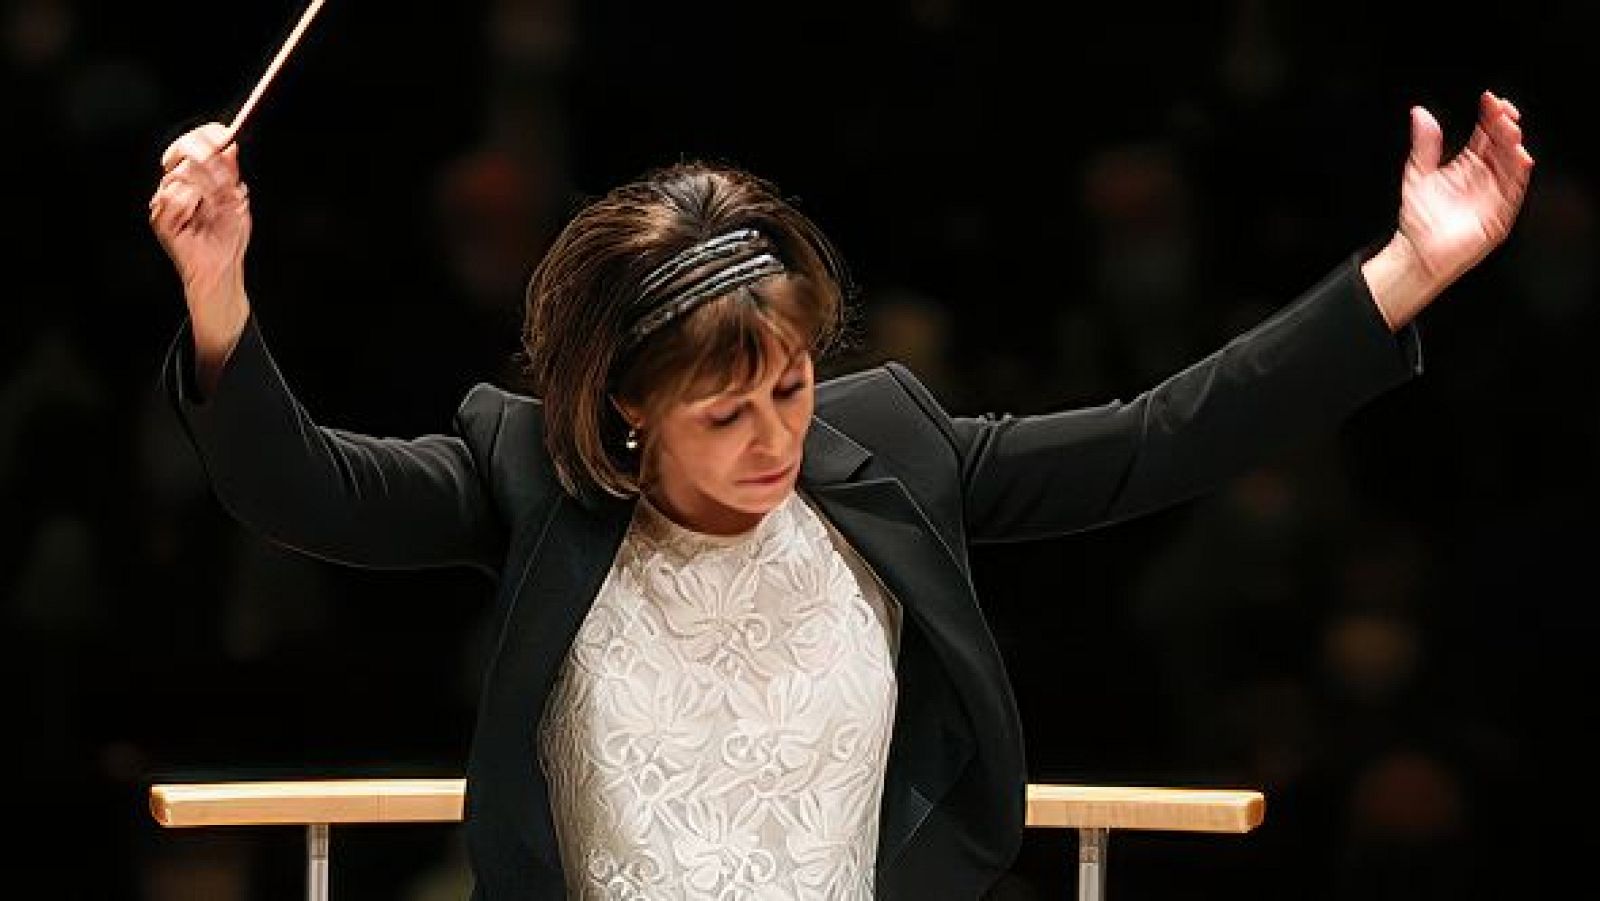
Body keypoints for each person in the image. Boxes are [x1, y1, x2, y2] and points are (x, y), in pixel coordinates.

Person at [147, 87, 1532, 899]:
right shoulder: (528, 476)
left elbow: (1159, 437)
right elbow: (302, 489)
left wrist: (1406, 269)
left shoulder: (895, 449)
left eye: (794, 386)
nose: (776, 438)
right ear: (626, 407)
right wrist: (218, 291)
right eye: (725, 411)